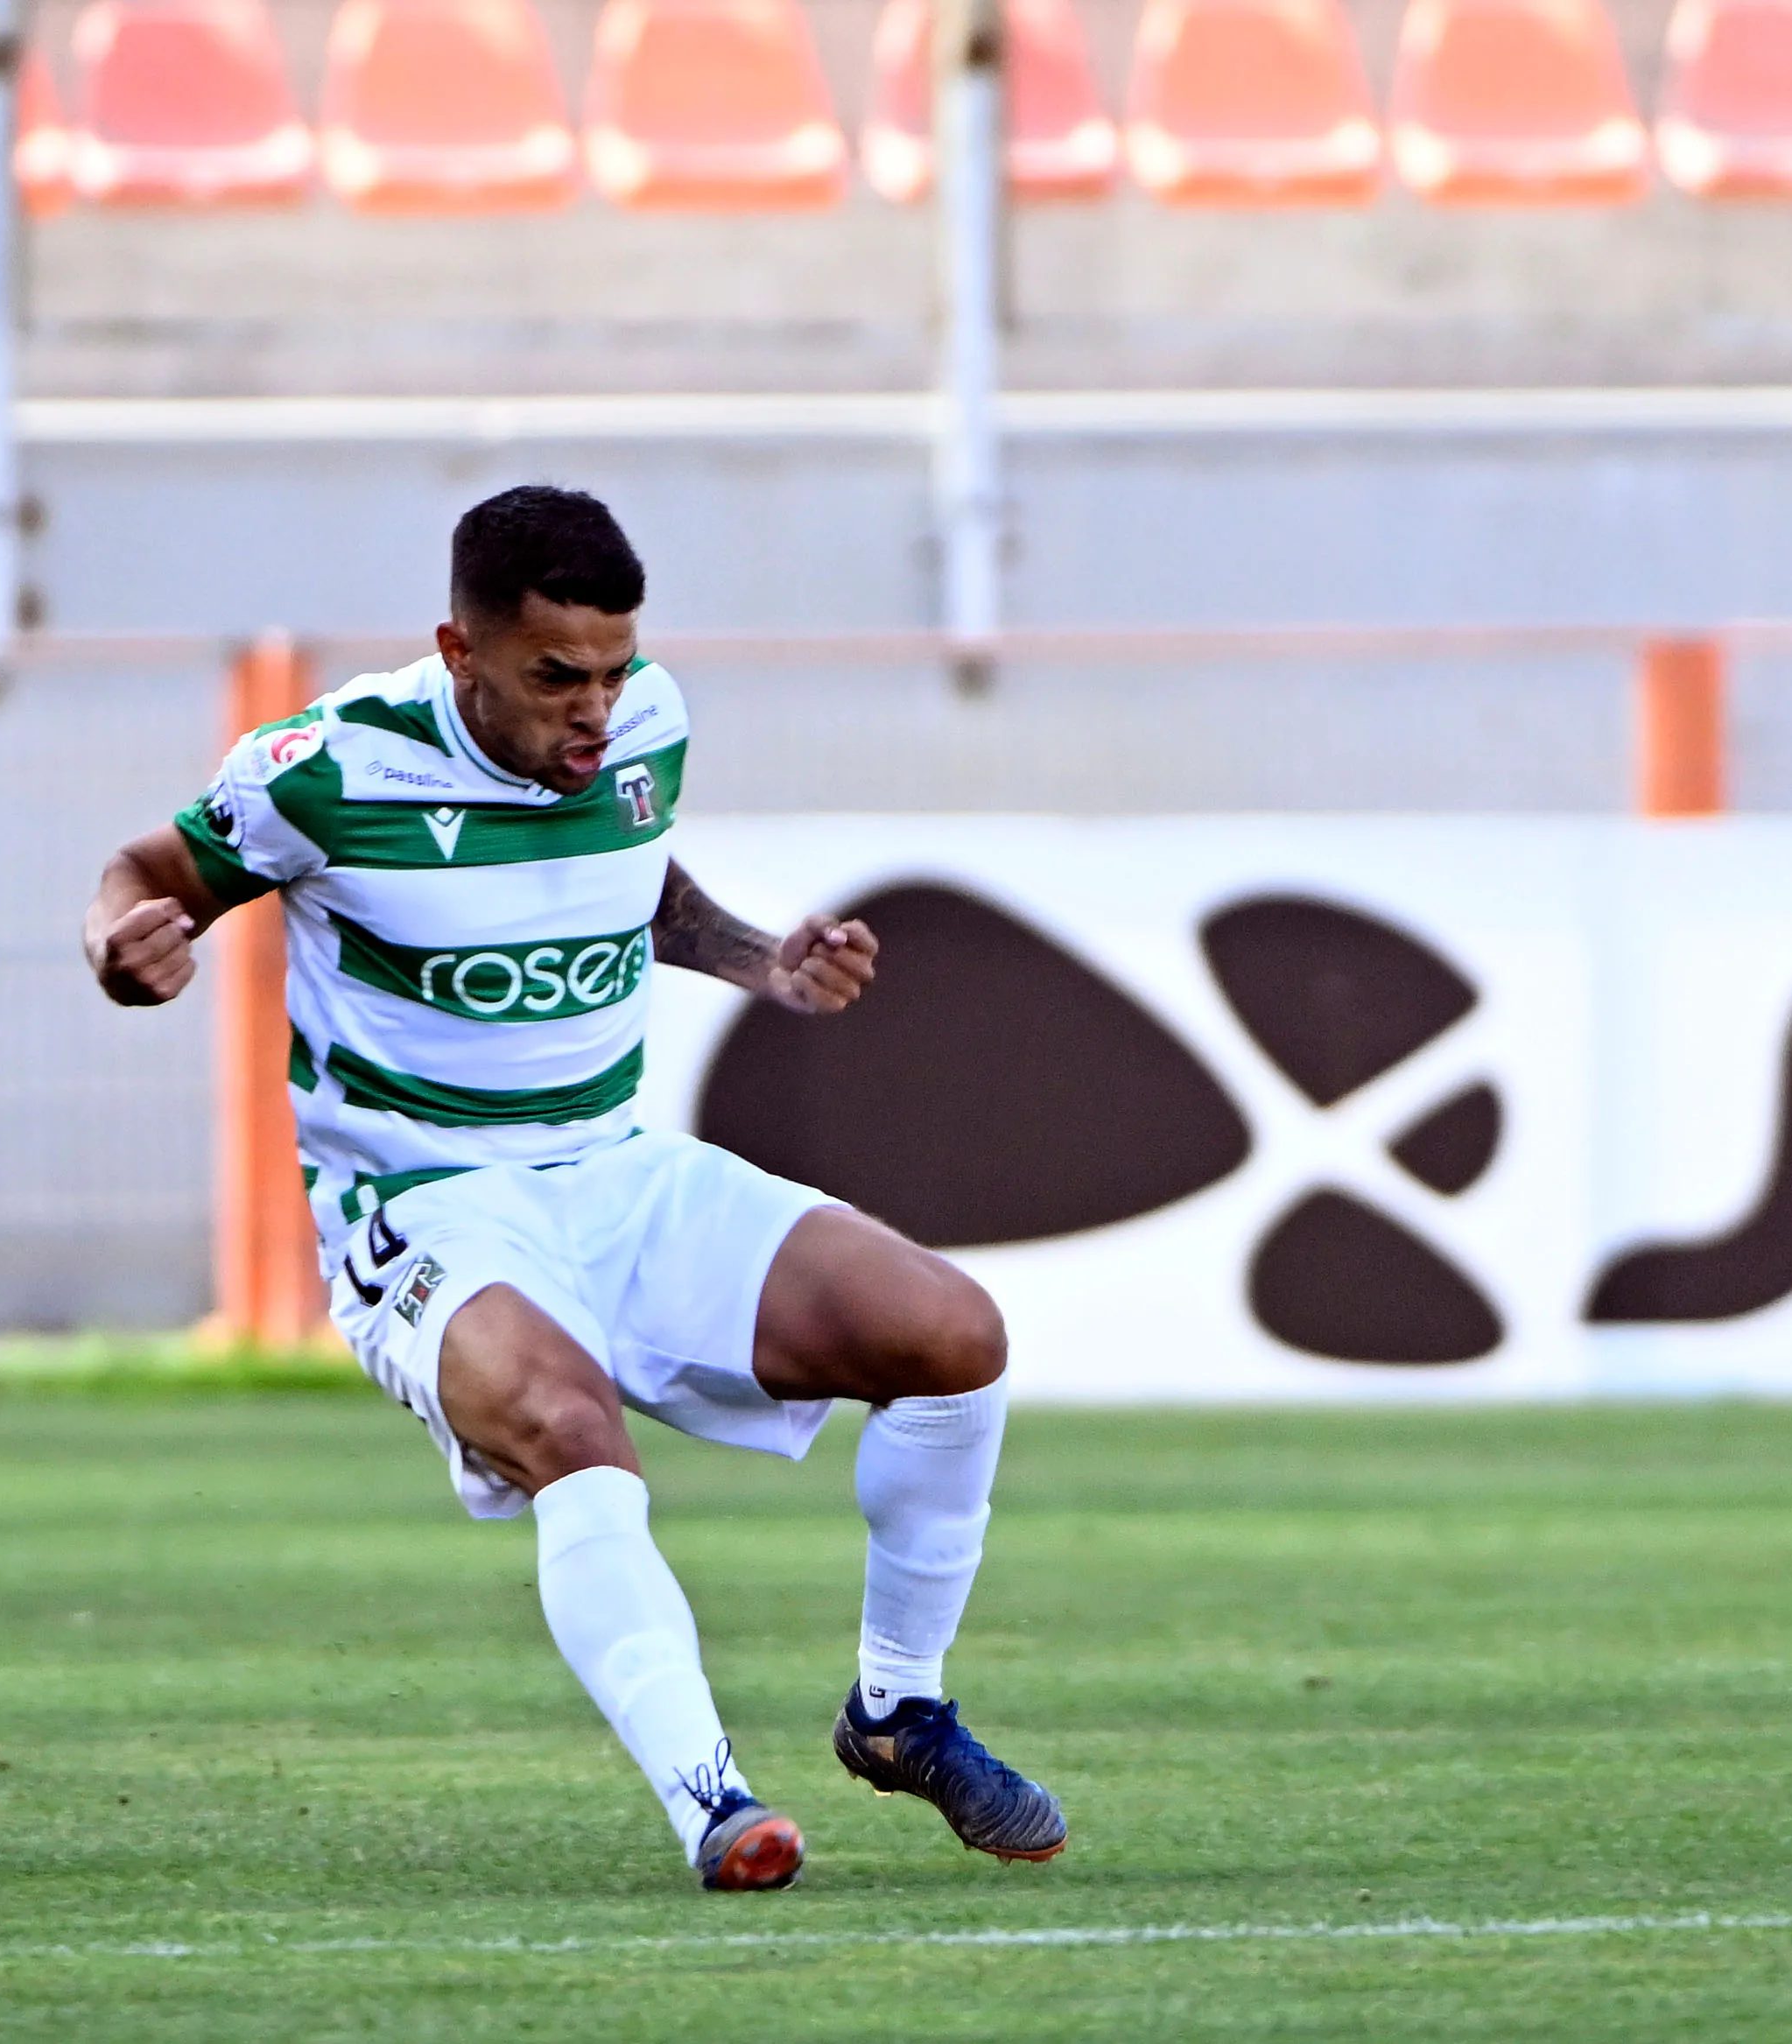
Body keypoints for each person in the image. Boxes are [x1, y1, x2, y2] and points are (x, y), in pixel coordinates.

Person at [82, 485, 1065, 1892]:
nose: (595, 709)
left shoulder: (646, 720)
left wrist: (759, 961)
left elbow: (634, 874)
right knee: (565, 1427)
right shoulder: (328, 766)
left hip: (613, 1169)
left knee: (952, 1336)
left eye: (613, 668)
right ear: (460, 650)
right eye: (555, 677)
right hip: (424, 1200)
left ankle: (899, 1710)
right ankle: (712, 1802)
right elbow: (149, 868)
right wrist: (120, 946)